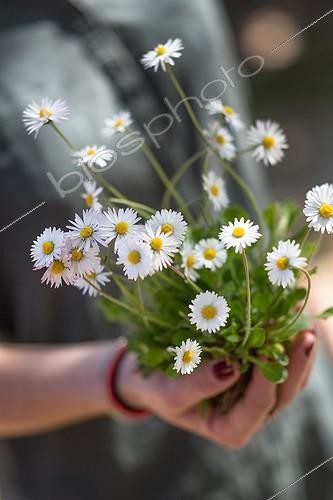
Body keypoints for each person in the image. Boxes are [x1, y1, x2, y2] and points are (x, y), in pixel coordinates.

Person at [0, 1, 333, 499]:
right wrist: (116, 378)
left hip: (297, 424)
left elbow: (233, 176)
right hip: (125, 473)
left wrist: (289, 309)